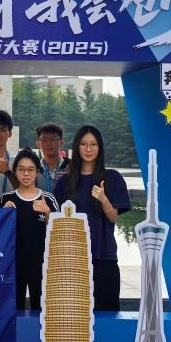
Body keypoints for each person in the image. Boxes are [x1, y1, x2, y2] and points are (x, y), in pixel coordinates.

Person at [53, 125, 131, 311]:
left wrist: (104, 199)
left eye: (93, 144)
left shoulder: (112, 178)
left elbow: (112, 217)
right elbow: (55, 221)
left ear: (100, 147)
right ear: (77, 147)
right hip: (72, 260)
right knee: (74, 317)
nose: (88, 149)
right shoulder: (65, 182)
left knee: (107, 316)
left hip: (103, 257)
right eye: (84, 144)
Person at [3, 150, 59, 311]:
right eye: (21, 169)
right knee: (14, 311)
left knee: (42, 312)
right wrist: (3, 214)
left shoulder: (48, 199)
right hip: (13, 267)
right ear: (15, 172)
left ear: (37, 172)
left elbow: (59, 233)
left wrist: (48, 214)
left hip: (42, 267)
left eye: (30, 169)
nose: (26, 174)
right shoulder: (7, 199)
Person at [35, 122, 70, 193]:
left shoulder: (72, 166)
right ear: (38, 143)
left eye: (53, 139)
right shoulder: (34, 168)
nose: (49, 143)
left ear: (62, 142)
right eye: (44, 140)